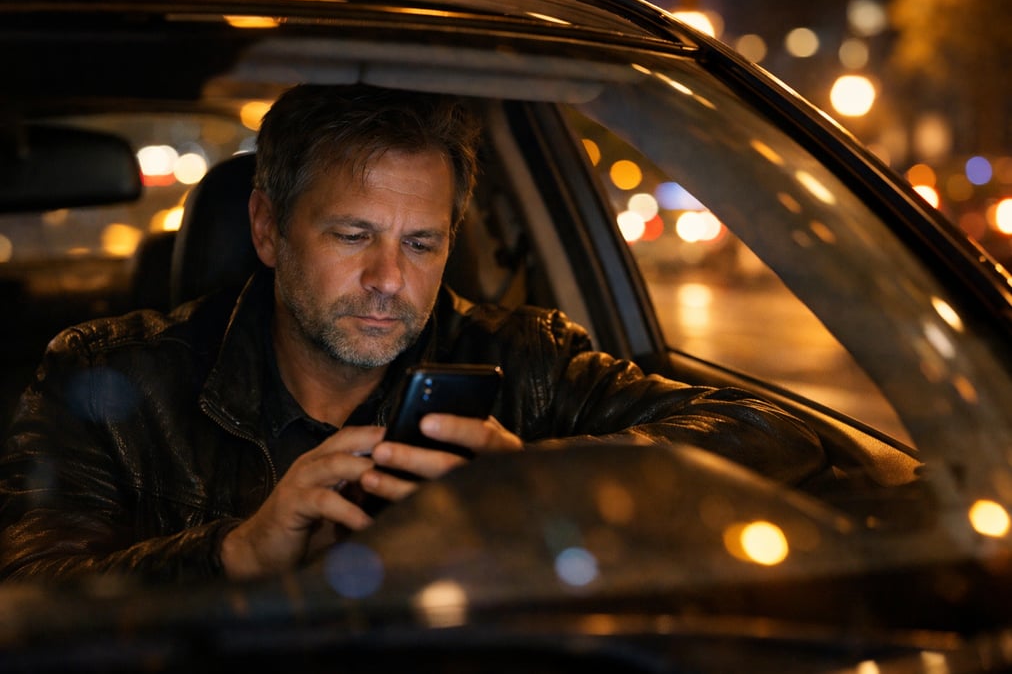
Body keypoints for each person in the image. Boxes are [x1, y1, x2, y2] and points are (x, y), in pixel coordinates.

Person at [0, 84, 826, 585]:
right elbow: (30, 593)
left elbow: (772, 433)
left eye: (422, 243)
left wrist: (545, 478)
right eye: (353, 235)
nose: (390, 279)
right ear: (266, 228)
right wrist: (238, 554)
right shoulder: (113, 381)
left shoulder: (521, 358)